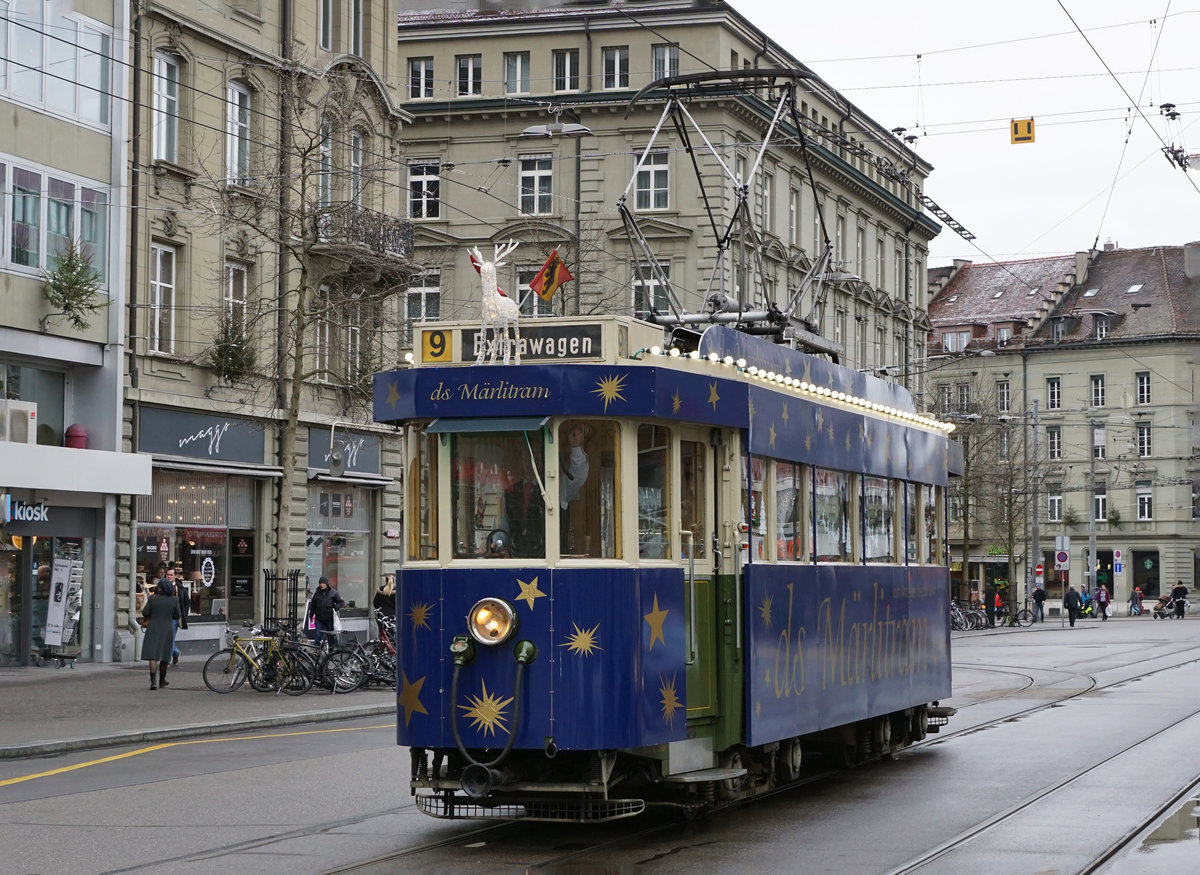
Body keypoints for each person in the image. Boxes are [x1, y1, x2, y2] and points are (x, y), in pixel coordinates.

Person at [142, 579, 181, 690]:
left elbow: (145, 612)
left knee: (153, 656)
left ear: (160, 588)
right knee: (165, 656)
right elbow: (177, 615)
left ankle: (153, 681)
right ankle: (162, 680)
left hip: (153, 628)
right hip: (167, 629)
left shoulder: (152, 598)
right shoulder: (174, 600)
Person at [308, 576, 344, 650]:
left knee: (330, 636)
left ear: (326, 584)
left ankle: (331, 652)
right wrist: (311, 615)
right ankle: (316, 651)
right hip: (319, 619)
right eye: (320, 583)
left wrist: (335, 608)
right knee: (318, 635)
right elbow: (313, 605)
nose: (321, 584)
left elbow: (341, 602)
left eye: (323, 583)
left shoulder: (333, 592)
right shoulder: (317, 593)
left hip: (329, 619)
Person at [373, 575, 396, 646]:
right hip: (392, 615)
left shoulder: (381, 589)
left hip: (382, 615)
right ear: (394, 581)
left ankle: (382, 647)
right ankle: (392, 647)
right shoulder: (397, 590)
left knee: (382, 632)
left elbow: (375, 603)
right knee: (392, 632)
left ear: (385, 581)